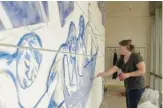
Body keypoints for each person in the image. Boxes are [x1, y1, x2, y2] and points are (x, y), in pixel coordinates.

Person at [97, 39, 146, 108]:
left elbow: (142, 71)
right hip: (128, 86)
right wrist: (103, 74)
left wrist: (128, 74)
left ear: (125, 47)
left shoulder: (136, 56)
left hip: (137, 87)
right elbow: (114, 69)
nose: (118, 49)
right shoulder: (121, 58)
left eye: (120, 47)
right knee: (129, 106)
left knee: (135, 106)